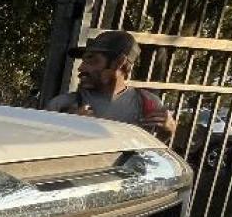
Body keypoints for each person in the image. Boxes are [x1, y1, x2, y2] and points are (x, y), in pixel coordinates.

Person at [47, 30, 175, 142]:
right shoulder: (62, 106)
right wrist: (67, 129)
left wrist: (167, 132)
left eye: (92, 61)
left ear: (119, 62)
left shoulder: (147, 104)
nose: (81, 68)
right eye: (83, 61)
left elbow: (148, 156)